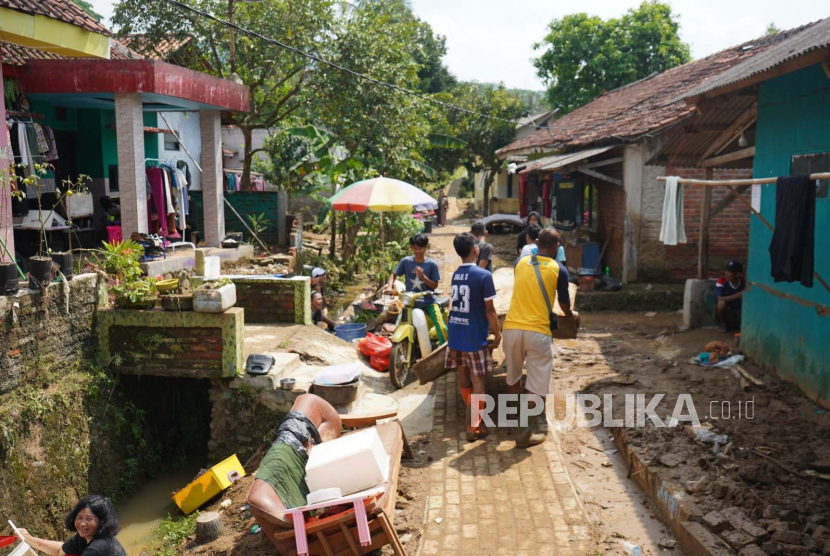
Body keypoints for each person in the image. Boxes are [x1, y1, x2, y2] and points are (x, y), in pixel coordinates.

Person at [503, 228, 580, 448]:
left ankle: (516, 419)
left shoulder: (520, 263)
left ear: (536, 243)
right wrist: (570, 315)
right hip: (538, 332)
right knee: (536, 384)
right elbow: (564, 303)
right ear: (557, 248)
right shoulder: (559, 269)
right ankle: (528, 427)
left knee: (513, 377)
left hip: (511, 329)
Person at [247, 394, 343, 522]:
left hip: (295, 437)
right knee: (298, 419)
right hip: (294, 441)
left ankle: (303, 439)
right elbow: (258, 500)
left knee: (296, 422)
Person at [446, 233, 501, 441]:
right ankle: (474, 425)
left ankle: (471, 412)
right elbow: (490, 310)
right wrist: (497, 333)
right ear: (475, 250)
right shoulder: (484, 275)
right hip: (474, 335)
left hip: (456, 332)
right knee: (478, 379)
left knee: (463, 372)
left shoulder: (455, 275)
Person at [17, 495, 127, 556]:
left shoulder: (97, 548)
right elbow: (60, 551)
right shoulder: (84, 537)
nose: (82, 523)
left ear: (101, 521)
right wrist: (27, 538)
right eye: (79, 518)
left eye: (89, 519)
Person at [385, 234, 445, 342]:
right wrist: (389, 286)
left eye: (421, 248)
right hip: (410, 303)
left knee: (441, 328)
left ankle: (444, 352)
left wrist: (423, 277)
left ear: (426, 247)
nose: (418, 251)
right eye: (415, 248)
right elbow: (393, 274)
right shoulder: (406, 261)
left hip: (428, 302)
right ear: (411, 248)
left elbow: (435, 285)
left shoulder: (432, 264)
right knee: (399, 327)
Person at [716, 261, 745, 332]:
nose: (726, 273)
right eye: (726, 271)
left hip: (741, 307)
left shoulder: (744, 281)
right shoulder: (722, 281)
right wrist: (738, 295)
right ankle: (724, 324)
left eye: (729, 272)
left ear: (738, 274)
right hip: (728, 308)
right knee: (721, 304)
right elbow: (719, 298)